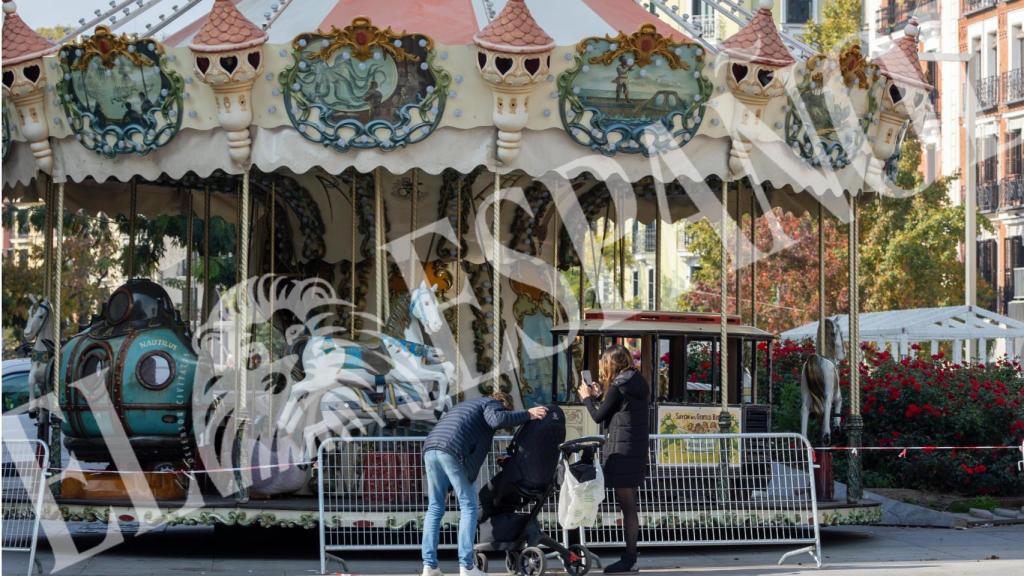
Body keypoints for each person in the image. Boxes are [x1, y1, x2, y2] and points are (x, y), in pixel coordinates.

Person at [421, 391, 548, 576]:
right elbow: (496, 419)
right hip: (453, 451)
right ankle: (467, 566)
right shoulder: (491, 404)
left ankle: (429, 566)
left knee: (435, 508)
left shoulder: (466, 407)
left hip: (431, 448)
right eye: (507, 410)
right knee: (469, 507)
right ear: (503, 403)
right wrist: (528, 414)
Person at [577, 345, 649, 574]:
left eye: (604, 365)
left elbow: (598, 415)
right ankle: (630, 556)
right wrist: (601, 395)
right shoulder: (637, 381)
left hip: (622, 448)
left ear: (611, 365)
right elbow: (618, 409)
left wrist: (587, 398)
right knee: (629, 505)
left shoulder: (619, 386)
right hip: (634, 447)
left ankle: (629, 559)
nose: (602, 369)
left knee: (626, 504)